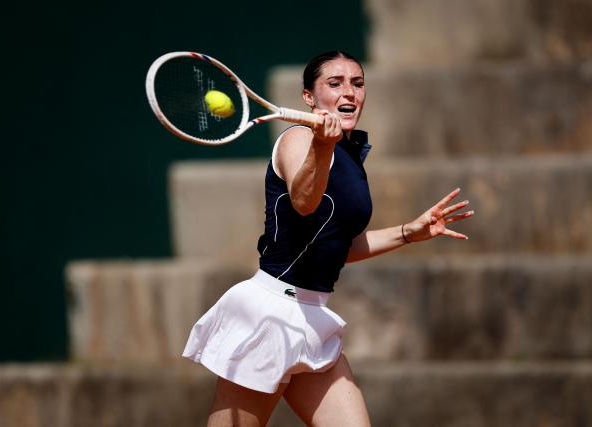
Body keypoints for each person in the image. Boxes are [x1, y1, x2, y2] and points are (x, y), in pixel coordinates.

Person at [182, 51, 474, 427]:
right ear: (309, 97)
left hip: (312, 319)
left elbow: (336, 248)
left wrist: (406, 233)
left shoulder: (350, 158)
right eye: (334, 84)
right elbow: (305, 203)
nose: (348, 93)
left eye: (357, 83)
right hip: (269, 317)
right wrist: (321, 147)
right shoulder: (297, 139)